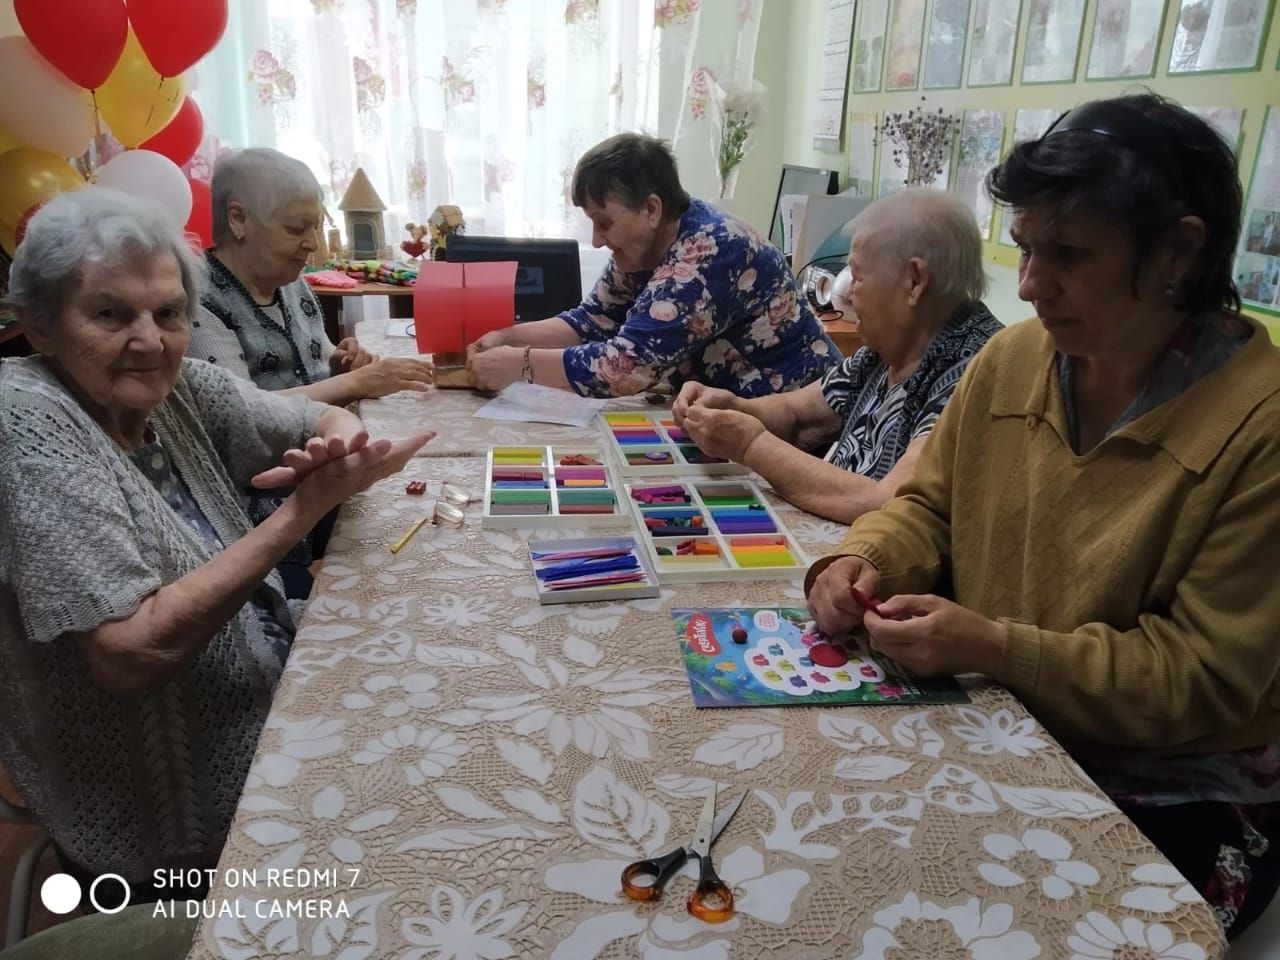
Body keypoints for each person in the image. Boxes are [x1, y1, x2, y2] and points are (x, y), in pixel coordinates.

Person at [806, 94, 1280, 938]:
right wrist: (866, 561)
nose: (1029, 285)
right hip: (1012, 719)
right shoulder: (1014, 357)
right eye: (1025, 248)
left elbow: (1199, 680)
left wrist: (996, 648)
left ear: (1179, 249)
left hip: (1180, 781)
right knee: (834, 865)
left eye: (1068, 255)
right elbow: (928, 505)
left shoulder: (1259, 426)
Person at [0, 189, 432, 903]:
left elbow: (317, 413)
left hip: (268, 691)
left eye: (169, 313)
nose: (150, 339)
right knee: (396, 871)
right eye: (109, 314)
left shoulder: (175, 388)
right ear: (41, 327)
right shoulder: (30, 426)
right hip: (165, 815)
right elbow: (131, 654)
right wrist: (300, 512)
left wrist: (332, 446)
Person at [672, 189, 1000, 523]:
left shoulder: (974, 370)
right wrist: (730, 408)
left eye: (857, 276)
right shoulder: (887, 350)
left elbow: (890, 504)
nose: (847, 295)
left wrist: (747, 444)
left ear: (914, 281)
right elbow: (798, 417)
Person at [466, 133, 838, 397]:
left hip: (798, 421)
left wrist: (521, 364)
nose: (596, 239)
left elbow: (625, 369)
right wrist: (509, 336)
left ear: (651, 209)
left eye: (604, 222)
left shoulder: (705, 256)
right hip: (735, 412)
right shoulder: (645, 246)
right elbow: (593, 319)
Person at [194, 147, 435, 404]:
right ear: (238, 219)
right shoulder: (197, 302)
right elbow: (240, 409)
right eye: (296, 229)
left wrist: (337, 361)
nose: (312, 244)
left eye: (316, 227)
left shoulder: (290, 281)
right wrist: (356, 382)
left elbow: (316, 351)